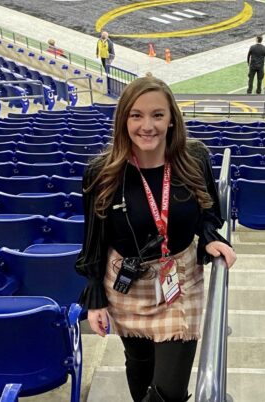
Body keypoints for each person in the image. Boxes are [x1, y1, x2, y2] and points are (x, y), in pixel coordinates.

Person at [75, 76, 237, 402]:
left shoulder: (194, 158)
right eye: (136, 115)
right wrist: (95, 299)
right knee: (139, 362)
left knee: (169, 391)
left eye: (157, 115)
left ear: (172, 119)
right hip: (126, 281)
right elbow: (94, 239)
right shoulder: (101, 172)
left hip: (180, 278)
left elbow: (208, 211)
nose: (147, 126)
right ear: (123, 120)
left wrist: (208, 237)